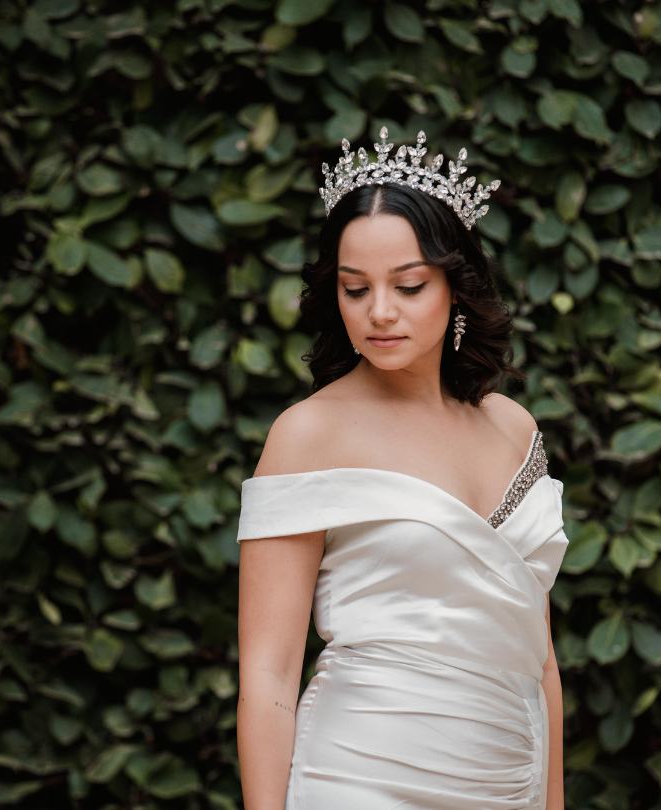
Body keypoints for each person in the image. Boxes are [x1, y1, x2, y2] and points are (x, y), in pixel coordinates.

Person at [236, 127, 569, 810]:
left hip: (510, 778)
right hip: (361, 778)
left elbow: (540, 657)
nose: (379, 312)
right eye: (355, 289)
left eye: (409, 285)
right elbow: (268, 677)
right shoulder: (307, 435)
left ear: (456, 287)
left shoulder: (512, 427)